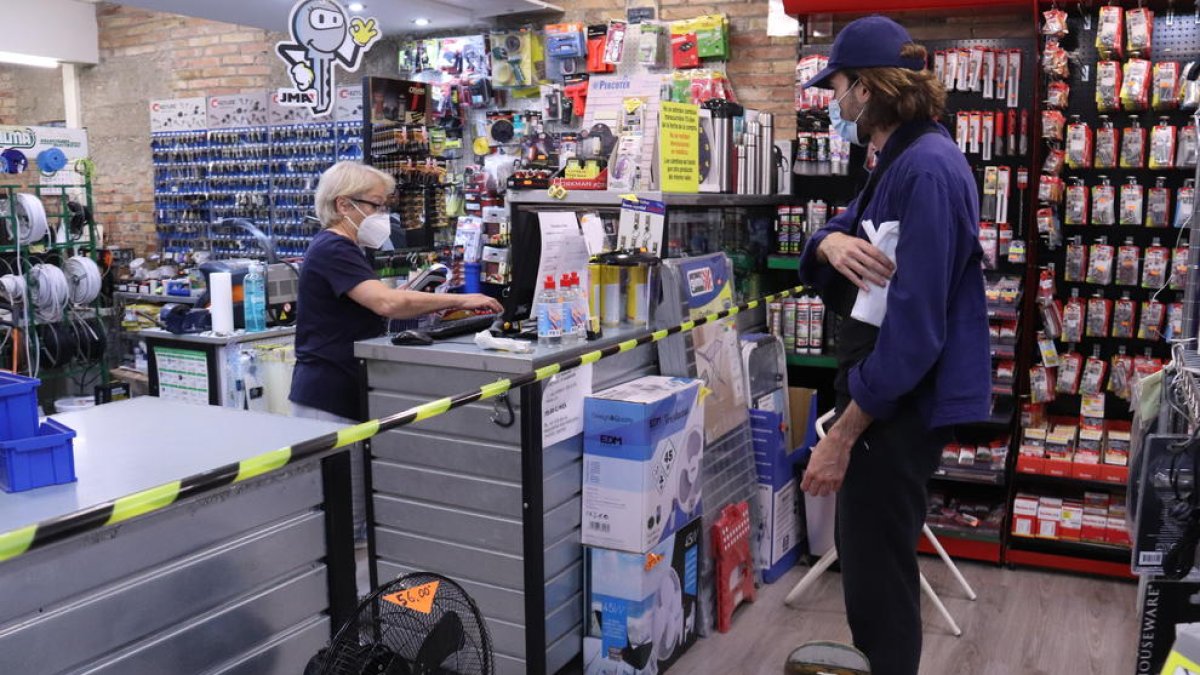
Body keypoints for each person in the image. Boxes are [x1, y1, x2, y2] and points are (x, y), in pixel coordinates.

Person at [796, 16, 991, 675]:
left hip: (890, 411)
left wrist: (845, 434)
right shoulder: (899, 161)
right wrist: (825, 239)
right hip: (880, 400)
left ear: (870, 89)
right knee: (873, 574)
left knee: (880, 593)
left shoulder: (928, 171)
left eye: (842, 85)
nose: (836, 100)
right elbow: (839, 230)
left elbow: (915, 335)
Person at [289, 160, 501, 424]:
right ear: (343, 205)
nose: (382, 214)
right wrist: (463, 299)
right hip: (328, 395)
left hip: (343, 388)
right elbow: (385, 303)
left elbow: (371, 301)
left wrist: (415, 295)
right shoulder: (333, 248)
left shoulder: (344, 247)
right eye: (376, 205)